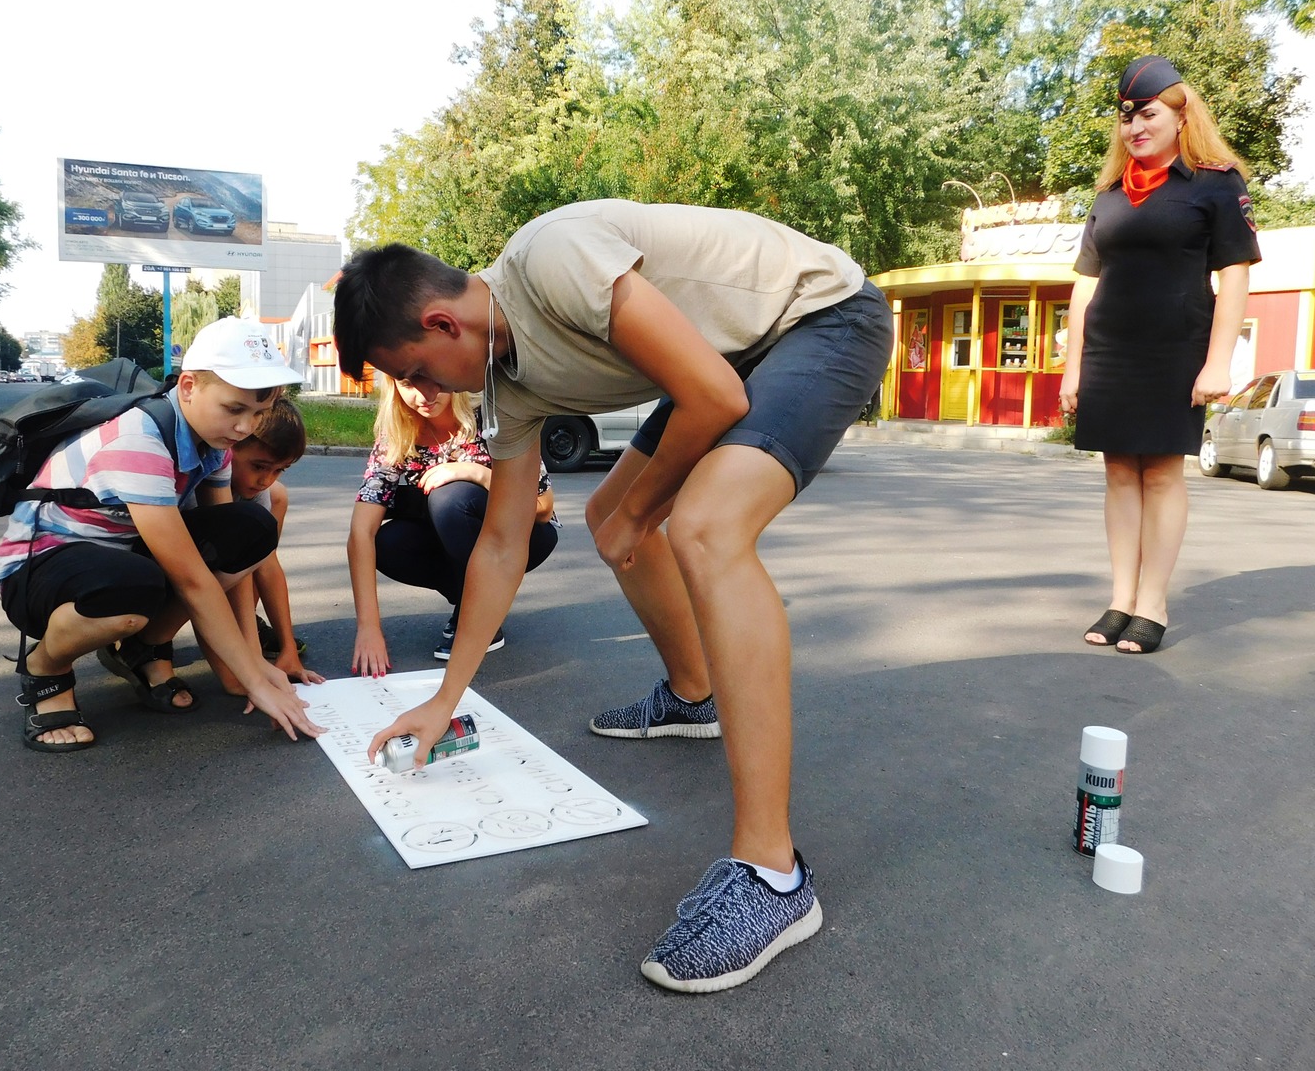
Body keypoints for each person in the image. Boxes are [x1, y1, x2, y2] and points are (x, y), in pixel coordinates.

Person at [332, 199, 892, 993]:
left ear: (442, 323)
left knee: (702, 525)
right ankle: (695, 695)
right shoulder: (508, 390)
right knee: (607, 516)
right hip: (728, 355)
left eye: (416, 370)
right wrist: (444, 697)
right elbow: (499, 542)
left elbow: (716, 399)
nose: (423, 390)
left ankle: (773, 875)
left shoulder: (551, 261)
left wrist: (640, 510)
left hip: (818, 319)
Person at [0, 316, 325, 752]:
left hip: (120, 557)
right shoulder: (138, 439)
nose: (245, 427)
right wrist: (250, 677)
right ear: (188, 387)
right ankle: (46, 669)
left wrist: (253, 661)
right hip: (39, 569)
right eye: (234, 409)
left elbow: (227, 557)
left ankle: (141, 649)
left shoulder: (214, 445)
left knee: (252, 529)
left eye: (258, 413)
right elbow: (190, 578)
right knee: (134, 584)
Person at [1059, 55, 1259, 655]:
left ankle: (1153, 604)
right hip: (1111, 352)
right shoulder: (1110, 196)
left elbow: (1236, 278)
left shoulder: (1216, 184)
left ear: (1179, 117)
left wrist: (1218, 361)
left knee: (1163, 473)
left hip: (1176, 350)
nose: (1135, 128)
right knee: (1119, 470)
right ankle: (1121, 598)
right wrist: (1073, 367)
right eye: (1127, 119)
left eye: (1147, 114)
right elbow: (1084, 286)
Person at [347, 375, 559, 675]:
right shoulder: (397, 432)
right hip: (452, 536)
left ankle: (482, 616)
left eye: (433, 381)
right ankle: (468, 601)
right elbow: (360, 532)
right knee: (385, 542)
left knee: (449, 499)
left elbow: (544, 507)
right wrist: (368, 628)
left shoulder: (492, 415)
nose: (424, 395)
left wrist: (475, 473)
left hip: (523, 536)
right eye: (408, 384)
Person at [202, 395, 325, 694]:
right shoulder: (207, 482)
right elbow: (205, 582)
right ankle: (146, 647)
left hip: (214, 569)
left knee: (269, 511)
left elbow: (265, 565)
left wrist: (288, 650)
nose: (265, 480)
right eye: (259, 466)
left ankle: (248, 635)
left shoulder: (258, 490)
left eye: (279, 470)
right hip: (171, 574)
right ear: (231, 447)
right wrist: (249, 666)